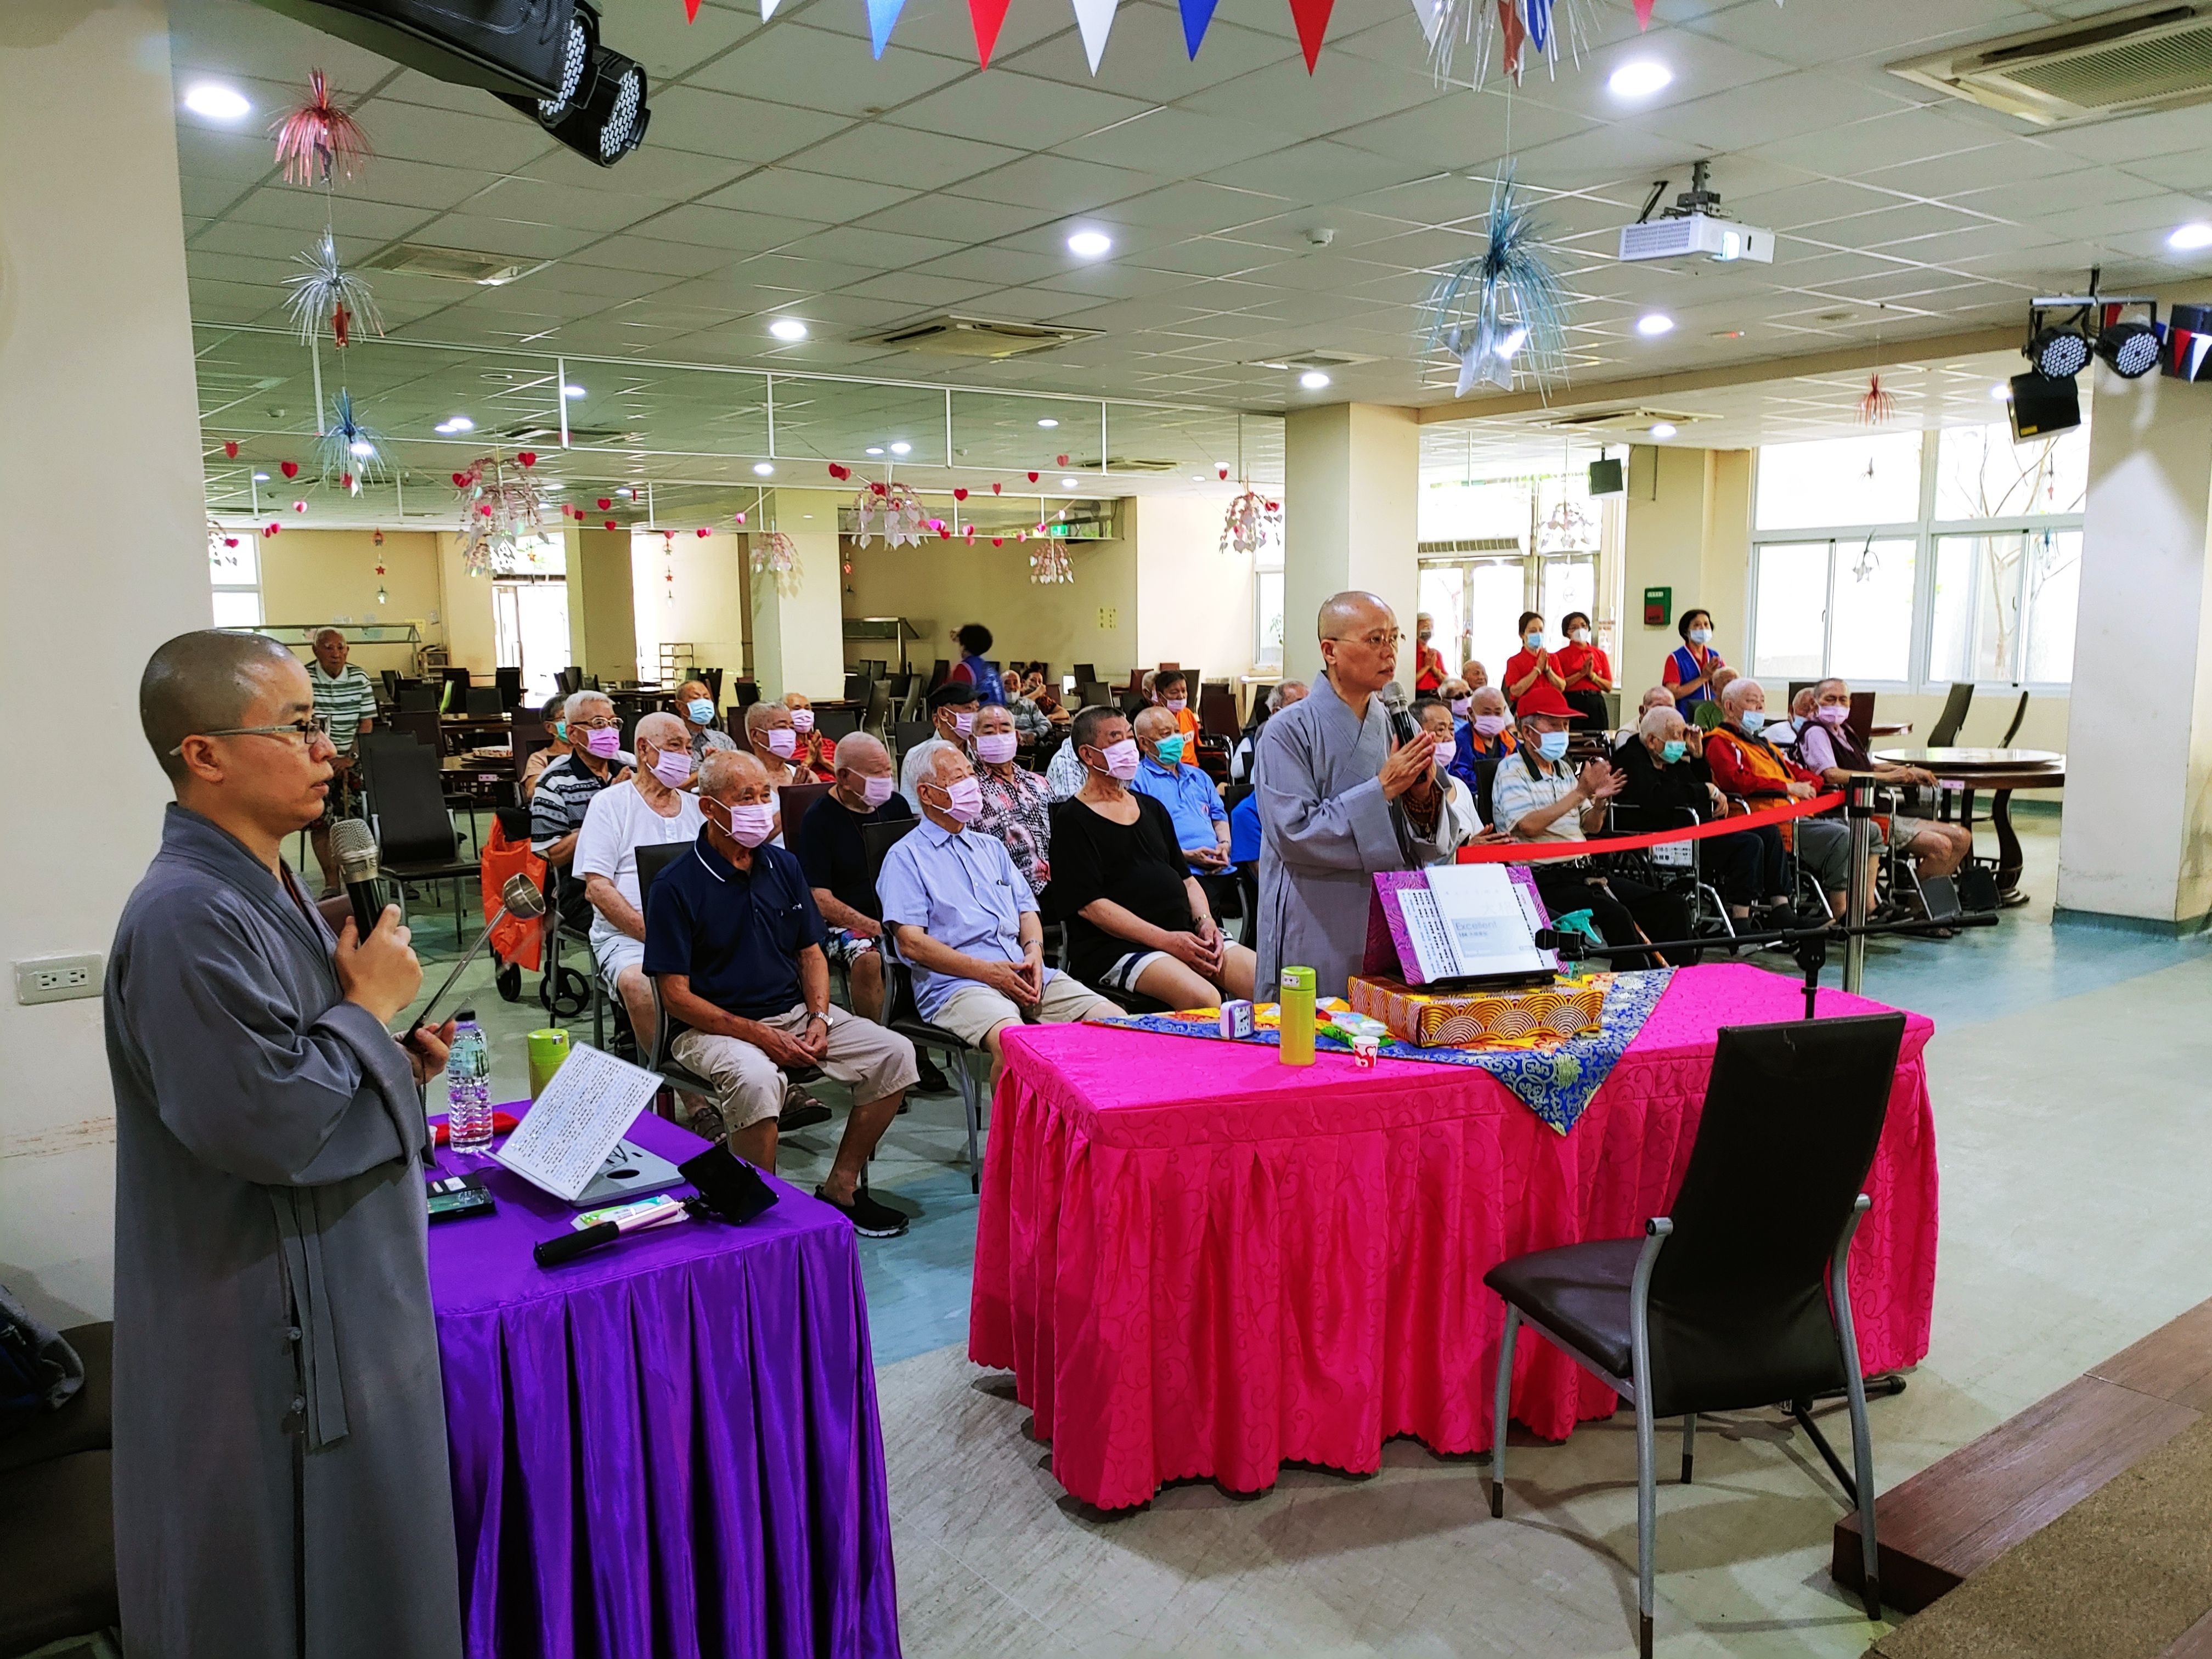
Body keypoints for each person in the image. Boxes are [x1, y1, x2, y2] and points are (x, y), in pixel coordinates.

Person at [109, 629, 462, 1657]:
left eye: (321, 724)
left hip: (344, 1275)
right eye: (299, 726)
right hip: (268, 1303)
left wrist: (394, 1056)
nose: (326, 748)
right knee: (284, 1584)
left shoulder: (266, 885)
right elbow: (262, 1123)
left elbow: (305, 1057)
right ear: (203, 754)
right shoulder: (187, 913)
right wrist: (369, 1011)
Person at [647, 750, 915, 1237]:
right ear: (710, 809)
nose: (759, 807)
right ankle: (757, 1218)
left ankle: (842, 1188)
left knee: (895, 1052)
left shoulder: (783, 865)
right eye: (744, 797)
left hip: (791, 1013)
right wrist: (758, 1036)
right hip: (710, 1026)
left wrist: (819, 1018)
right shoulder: (676, 885)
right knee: (755, 1079)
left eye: (764, 795)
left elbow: (811, 953)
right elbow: (676, 997)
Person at [877, 746, 1118, 1085]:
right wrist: (989, 973)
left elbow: (1027, 910)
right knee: (1015, 1044)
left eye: (970, 775)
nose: (971, 784)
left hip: (1022, 971)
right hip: (957, 984)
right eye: (958, 778)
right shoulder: (906, 858)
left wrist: (1034, 952)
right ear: (927, 794)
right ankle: (1015, 1140)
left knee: (1115, 1023)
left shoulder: (990, 847)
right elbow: (912, 944)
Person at [1255, 591, 1454, 998]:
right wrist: (1381, 789)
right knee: (1317, 1040)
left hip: (1392, 907)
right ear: (1330, 650)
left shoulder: (1400, 725)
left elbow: (1432, 839)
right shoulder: (1286, 731)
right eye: (1374, 640)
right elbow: (1295, 832)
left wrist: (1420, 798)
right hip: (1317, 909)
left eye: (1394, 639)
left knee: (1389, 1038)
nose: (1389, 652)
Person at [1051, 705, 1259, 1008]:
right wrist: (1167, 941)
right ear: (1088, 754)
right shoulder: (1073, 819)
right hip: (1119, 946)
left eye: (1128, 737)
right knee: (1205, 998)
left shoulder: (1151, 808)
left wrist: (1206, 922)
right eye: (1114, 739)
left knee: (1263, 981)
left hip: (1184, 932)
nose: (1127, 747)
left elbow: (1186, 880)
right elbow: (1092, 907)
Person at [1492, 680, 1686, 965]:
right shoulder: (1511, 771)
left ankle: (1682, 980)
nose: (1562, 733)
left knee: (1670, 905)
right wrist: (1582, 792)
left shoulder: (1564, 769)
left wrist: (1599, 801)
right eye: (1553, 725)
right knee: (1617, 914)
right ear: (1526, 731)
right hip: (1543, 878)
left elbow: (1591, 826)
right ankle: (1632, 986)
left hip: (1583, 871)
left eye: (1566, 726)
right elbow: (1529, 826)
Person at [573, 710, 705, 1053]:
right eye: (675, 746)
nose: (686, 757)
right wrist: (661, 938)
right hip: (629, 938)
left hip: (699, 933)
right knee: (638, 982)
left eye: (689, 748)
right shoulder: (610, 804)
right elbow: (598, 888)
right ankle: (686, 1091)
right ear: (644, 750)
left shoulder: (698, 808)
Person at [1611, 704, 1787, 934]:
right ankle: (1741, 921)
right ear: (1653, 740)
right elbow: (1658, 798)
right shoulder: (1631, 760)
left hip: (1695, 827)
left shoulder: (1667, 757)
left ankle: (1782, 908)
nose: (1681, 741)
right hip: (1664, 834)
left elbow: (1694, 785)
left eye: (1683, 734)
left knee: (1769, 833)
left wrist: (1698, 759)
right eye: (1676, 735)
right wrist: (1707, 791)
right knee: (1749, 844)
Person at [1704, 678, 1859, 917]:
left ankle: (1864, 904)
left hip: (1796, 813)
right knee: (1842, 835)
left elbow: (1800, 772)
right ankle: (1841, 911)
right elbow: (1736, 781)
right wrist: (1789, 788)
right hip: (1763, 818)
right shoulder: (1720, 742)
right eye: (1751, 701)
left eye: (1762, 703)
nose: (1759, 708)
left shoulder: (1763, 743)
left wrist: (1808, 784)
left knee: (1864, 830)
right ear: (1730, 707)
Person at [1796, 678, 1973, 882]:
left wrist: (1909, 771)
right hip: (1852, 814)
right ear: (1814, 703)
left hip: (1878, 808)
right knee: (1941, 846)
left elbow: (1866, 766)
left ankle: (1923, 901)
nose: (1837, 705)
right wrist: (1888, 777)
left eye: (1842, 700)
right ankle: (1916, 907)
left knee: (1962, 837)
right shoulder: (1816, 732)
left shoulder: (1844, 731)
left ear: (1849, 703)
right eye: (1830, 699)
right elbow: (1832, 774)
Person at [794, 732, 911, 1025]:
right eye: (876, 773)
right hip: (842, 923)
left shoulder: (895, 806)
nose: (886, 778)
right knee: (871, 957)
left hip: (900, 912)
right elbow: (819, 898)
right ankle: (880, 1043)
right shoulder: (819, 820)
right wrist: (876, 927)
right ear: (844, 778)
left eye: (888, 770)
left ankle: (921, 1044)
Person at [530, 690, 631, 935]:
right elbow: (553, 855)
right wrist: (605, 806)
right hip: (583, 890)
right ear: (573, 733)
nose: (609, 731)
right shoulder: (554, 783)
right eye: (598, 724)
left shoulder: (632, 768)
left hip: (637, 877)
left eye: (613, 723)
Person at [305, 625, 377, 896]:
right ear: (316, 651)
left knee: (357, 820)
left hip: (350, 757)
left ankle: (359, 881)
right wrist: (323, 757)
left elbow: (366, 723)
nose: (336, 654)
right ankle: (331, 884)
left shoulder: (358, 677)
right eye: (329, 648)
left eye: (341, 648)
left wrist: (350, 758)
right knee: (320, 820)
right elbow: (302, 723)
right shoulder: (306, 678)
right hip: (315, 758)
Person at [1130, 705, 1231, 876]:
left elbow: (1219, 818)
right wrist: (1186, 856)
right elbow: (1142, 839)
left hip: (1221, 864)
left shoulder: (1199, 776)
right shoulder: (1137, 781)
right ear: (1144, 743)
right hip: (1173, 871)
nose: (1176, 738)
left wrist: (1225, 845)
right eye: (1165, 734)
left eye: (1177, 731)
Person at [970, 700, 1054, 892]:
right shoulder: (970, 791)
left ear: (1017, 737)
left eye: (1005, 730)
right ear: (973, 741)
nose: (998, 737)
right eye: (989, 732)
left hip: (1058, 883)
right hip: (1007, 892)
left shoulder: (1038, 783)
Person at [1417, 695, 1493, 849]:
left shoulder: (1460, 787)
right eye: (1440, 730)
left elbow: (1477, 838)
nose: (1448, 737)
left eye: (1451, 730)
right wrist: (1461, 849)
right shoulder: (1408, 790)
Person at [901, 681, 978, 802]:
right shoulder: (918, 757)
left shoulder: (979, 752)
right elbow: (914, 811)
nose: (975, 717)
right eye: (968, 709)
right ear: (943, 714)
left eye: (976, 710)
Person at [1229, 678, 1306, 786]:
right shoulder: (1262, 741)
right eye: (1299, 704)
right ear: (1276, 712)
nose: (1306, 710)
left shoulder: (1311, 738)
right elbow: (1237, 772)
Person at [1554, 611, 1614, 730]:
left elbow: (1608, 686)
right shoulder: (1560, 656)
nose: (1580, 630)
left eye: (1583, 626)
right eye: (1574, 627)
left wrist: (1592, 676)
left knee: (1598, 739)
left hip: (1595, 702)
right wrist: (1581, 674)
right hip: (1572, 702)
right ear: (1567, 632)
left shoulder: (1599, 654)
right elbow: (1559, 685)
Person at [1662, 609, 1726, 711]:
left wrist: (1713, 678)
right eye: (1697, 625)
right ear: (1686, 631)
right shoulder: (1676, 658)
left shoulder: (1715, 656)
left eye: (1706, 624)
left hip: (1714, 716)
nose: (1703, 629)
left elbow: (1727, 688)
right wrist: (1703, 678)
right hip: (1686, 718)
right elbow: (1672, 693)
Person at [1503, 611, 1565, 714]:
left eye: (1541, 630)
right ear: (1522, 635)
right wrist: (1537, 670)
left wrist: (1548, 670)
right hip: (1527, 711)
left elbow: (1561, 687)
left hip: (1551, 709)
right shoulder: (1514, 661)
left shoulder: (1552, 658)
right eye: (1533, 631)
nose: (1538, 634)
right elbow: (1516, 691)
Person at [520, 689, 569, 803]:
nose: (572, 723)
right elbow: (533, 791)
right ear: (549, 727)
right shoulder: (539, 758)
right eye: (565, 717)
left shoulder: (590, 752)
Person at [742, 699, 800, 792]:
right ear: (756, 735)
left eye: (792, 728)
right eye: (781, 727)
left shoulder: (806, 777)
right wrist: (793, 795)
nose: (789, 733)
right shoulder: (743, 780)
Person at [677, 678, 737, 765]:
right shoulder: (675, 743)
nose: (703, 703)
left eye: (707, 698)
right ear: (680, 706)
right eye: (696, 698)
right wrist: (708, 766)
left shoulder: (723, 740)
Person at [781, 691, 838, 782]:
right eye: (797, 709)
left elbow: (847, 777)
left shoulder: (827, 744)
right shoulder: (783, 749)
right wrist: (809, 761)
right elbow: (790, 784)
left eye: (807, 709)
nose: (804, 713)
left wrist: (823, 761)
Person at [947, 622, 1007, 704]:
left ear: (963, 645)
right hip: (1000, 715)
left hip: (980, 716)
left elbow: (957, 703)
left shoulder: (964, 668)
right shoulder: (991, 670)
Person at [1153, 668, 1202, 765]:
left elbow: (1198, 746)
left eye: (1184, 691)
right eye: (1174, 692)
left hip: (1194, 771)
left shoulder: (1188, 714)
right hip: (1167, 772)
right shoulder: (1152, 720)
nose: (1181, 696)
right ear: (1160, 696)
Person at [1412, 613, 1449, 691]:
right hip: (1419, 696)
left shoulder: (1436, 654)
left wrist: (1434, 669)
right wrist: (1427, 667)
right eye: (1426, 627)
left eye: (1431, 627)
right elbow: (1409, 682)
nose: (1429, 630)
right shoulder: (1412, 653)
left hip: (1437, 694)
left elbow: (1447, 682)